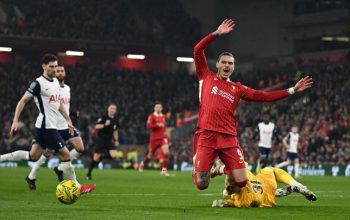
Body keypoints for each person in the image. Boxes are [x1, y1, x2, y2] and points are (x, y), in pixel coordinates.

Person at [192, 19, 313, 195]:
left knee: (241, 182)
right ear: (217, 65)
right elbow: (197, 50)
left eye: (230, 63)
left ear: (233, 67)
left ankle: (223, 168)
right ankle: (215, 168)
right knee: (202, 184)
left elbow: (263, 96)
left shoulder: (237, 88)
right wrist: (216, 33)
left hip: (228, 137)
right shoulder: (206, 76)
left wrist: (292, 90)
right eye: (224, 62)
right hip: (206, 134)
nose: (227, 65)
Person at [0, 54, 95, 194]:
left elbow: (59, 104)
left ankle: (1, 158)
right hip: (47, 127)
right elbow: (22, 101)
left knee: (33, 156)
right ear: (44, 66)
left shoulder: (56, 82)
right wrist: (15, 120)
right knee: (66, 156)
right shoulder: (37, 83)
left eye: (56, 66)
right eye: (51, 66)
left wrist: (68, 120)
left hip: (47, 127)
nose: (54, 69)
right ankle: (78, 187)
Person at [25, 65, 85, 190]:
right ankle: (31, 176)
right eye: (57, 71)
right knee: (47, 153)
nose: (60, 72)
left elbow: (63, 106)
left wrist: (72, 113)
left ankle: (60, 168)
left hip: (66, 125)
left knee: (80, 148)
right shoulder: (52, 86)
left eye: (62, 70)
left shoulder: (67, 88)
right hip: (54, 126)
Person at [211, 161, 317, 208]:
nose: (227, 185)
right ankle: (294, 185)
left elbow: (234, 202)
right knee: (270, 170)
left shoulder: (242, 200)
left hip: (262, 193)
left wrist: (224, 203)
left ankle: (293, 187)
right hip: (264, 184)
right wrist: (221, 169)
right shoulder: (245, 178)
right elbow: (239, 166)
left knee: (273, 193)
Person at [86, 104, 119, 180]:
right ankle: (89, 173)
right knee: (95, 158)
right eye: (111, 108)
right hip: (101, 140)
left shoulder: (116, 120)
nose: (112, 110)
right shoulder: (103, 117)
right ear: (108, 109)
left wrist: (116, 140)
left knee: (114, 155)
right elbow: (96, 126)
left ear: (115, 111)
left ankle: (102, 157)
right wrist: (104, 125)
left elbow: (116, 131)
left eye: (114, 108)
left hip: (110, 140)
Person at [138, 102, 170, 176]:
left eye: (159, 107)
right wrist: (156, 125)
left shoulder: (163, 116)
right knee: (150, 155)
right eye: (157, 107)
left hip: (162, 138)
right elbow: (148, 126)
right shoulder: (151, 116)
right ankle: (142, 164)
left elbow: (164, 128)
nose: (158, 108)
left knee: (166, 152)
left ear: (161, 108)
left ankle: (164, 170)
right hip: (154, 139)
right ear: (154, 108)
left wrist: (167, 137)